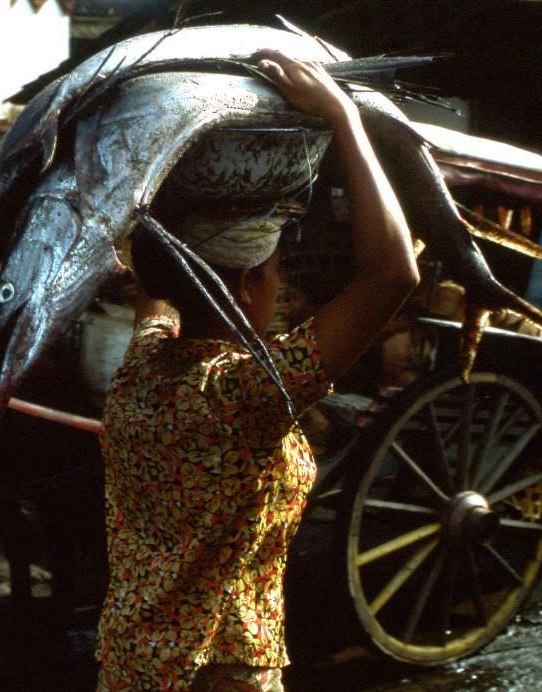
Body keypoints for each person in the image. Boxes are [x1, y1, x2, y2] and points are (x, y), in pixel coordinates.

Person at [95, 50, 419, 691]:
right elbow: (391, 275)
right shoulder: (245, 396)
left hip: (130, 665)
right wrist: (343, 119)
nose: (281, 286)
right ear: (248, 287)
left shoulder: (140, 371)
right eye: (274, 273)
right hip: (220, 671)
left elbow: (159, 292)